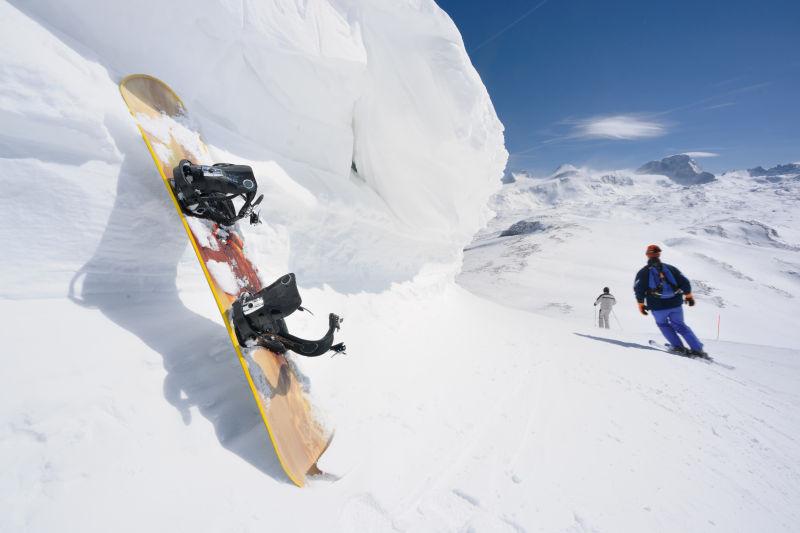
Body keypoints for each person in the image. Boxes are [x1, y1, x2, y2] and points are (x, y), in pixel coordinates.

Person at [633, 244, 706, 356]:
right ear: (659, 254)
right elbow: (684, 282)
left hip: (657, 306)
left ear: (647, 255)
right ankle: (697, 349)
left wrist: (641, 304)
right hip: (676, 304)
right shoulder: (671, 268)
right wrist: (689, 296)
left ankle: (678, 347)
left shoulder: (644, 272)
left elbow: (639, 289)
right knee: (680, 325)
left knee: (663, 324)